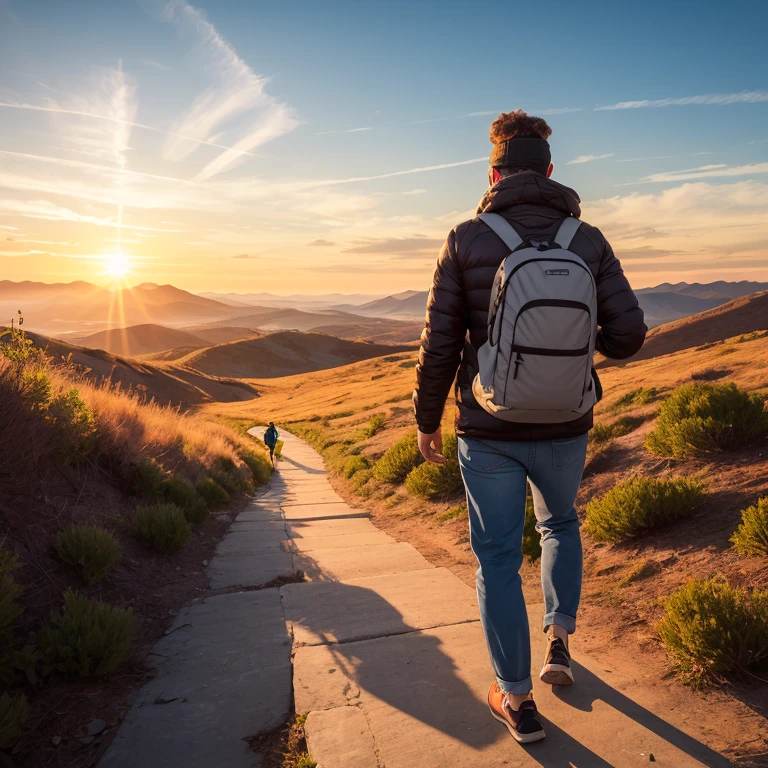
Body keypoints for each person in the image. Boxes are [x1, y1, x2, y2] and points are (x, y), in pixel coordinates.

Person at [413, 110, 646, 744]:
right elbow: (628, 336)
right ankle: (560, 645)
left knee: (496, 560)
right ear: (549, 169)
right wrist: (567, 351)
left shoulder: (465, 237)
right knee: (561, 523)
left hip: (487, 426)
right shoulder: (588, 239)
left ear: (493, 172)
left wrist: (426, 421)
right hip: (568, 421)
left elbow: (439, 344)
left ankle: (515, 701)